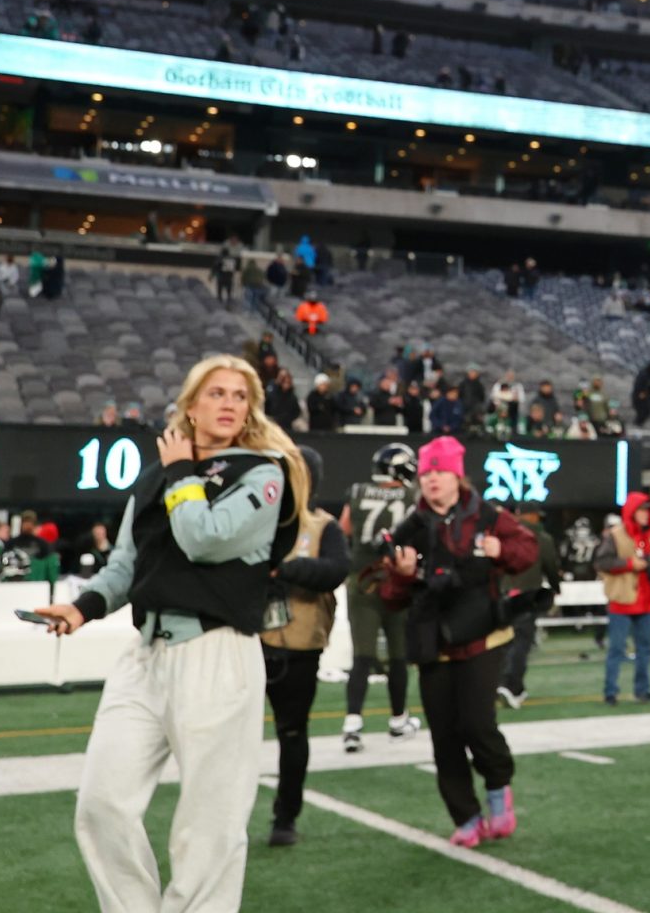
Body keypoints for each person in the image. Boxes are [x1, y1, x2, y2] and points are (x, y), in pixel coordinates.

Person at [32, 354, 311, 912]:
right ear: (190, 404)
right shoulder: (157, 475)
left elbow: (204, 537)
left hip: (218, 652)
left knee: (209, 825)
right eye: (216, 393)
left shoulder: (264, 470)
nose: (229, 403)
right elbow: (126, 564)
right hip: (146, 654)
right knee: (101, 804)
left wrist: (182, 471)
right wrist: (82, 608)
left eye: (239, 395)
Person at [380, 436, 539, 847]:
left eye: (440, 471)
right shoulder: (410, 528)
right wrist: (400, 574)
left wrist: (500, 548)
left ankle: (498, 788)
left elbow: (528, 550)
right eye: (427, 472)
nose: (432, 479)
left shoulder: (487, 515)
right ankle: (466, 817)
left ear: (457, 475)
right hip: (432, 642)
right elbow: (390, 599)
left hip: (481, 636)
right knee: (444, 736)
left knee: (477, 724)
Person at [260, 449, 350, 847]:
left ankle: (286, 816)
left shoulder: (324, 526)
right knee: (231, 736)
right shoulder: (256, 519)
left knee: (292, 733)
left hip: (299, 646)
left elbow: (334, 570)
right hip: (250, 640)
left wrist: (287, 570)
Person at [338, 442, 425, 753]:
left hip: (362, 583)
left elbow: (343, 528)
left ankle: (352, 724)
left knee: (362, 656)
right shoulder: (412, 495)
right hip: (396, 582)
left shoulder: (359, 491)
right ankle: (398, 720)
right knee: (398, 655)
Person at [599, 491, 650, 705]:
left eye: (648, 510)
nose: (646, 514)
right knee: (617, 649)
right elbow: (602, 562)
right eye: (642, 510)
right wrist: (629, 565)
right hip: (622, 600)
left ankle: (642, 690)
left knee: (646, 649)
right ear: (633, 511)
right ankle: (610, 691)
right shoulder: (616, 534)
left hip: (646, 600)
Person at [495, 503, 559, 708]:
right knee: (521, 644)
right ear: (533, 516)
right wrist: (556, 588)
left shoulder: (503, 535)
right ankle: (510, 685)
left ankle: (512, 687)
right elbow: (551, 567)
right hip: (527, 595)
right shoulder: (542, 538)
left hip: (502, 594)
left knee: (503, 643)